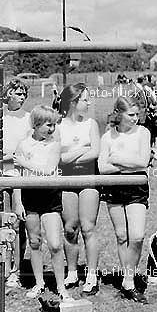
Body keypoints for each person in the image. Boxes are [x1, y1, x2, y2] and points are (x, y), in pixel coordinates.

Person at [13, 105, 70, 301]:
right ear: (36, 125)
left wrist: (24, 163)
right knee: (34, 241)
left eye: (54, 125)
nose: (52, 129)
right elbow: (18, 176)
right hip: (29, 196)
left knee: (54, 243)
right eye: (48, 125)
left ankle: (61, 287)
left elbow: (47, 169)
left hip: (50, 195)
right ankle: (39, 283)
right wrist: (18, 201)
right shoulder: (23, 144)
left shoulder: (54, 144)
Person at [98, 96, 151, 304]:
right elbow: (102, 168)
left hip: (137, 186)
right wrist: (127, 165)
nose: (136, 118)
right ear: (119, 114)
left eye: (138, 114)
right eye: (131, 115)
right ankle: (128, 282)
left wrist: (116, 159)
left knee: (136, 236)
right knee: (121, 236)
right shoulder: (107, 137)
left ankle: (129, 278)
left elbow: (142, 163)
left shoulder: (143, 132)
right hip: (113, 187)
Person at [0, 78, 31, 289]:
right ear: (8, 95)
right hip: (0, 174)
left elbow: (31, 149)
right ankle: (1, 265)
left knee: (17, 224)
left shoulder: (30, 119)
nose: (22, 97)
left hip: (20, 175)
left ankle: (16, 271)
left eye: (24, 94)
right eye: (18, 93)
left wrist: (16, 157)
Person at [56, 84, 101, 295]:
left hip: (89, 181)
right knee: (69, 228)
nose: (89, 103)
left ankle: (91, 275)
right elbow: (59, 158)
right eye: (85, 99)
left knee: (88, 227)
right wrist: (80, 150)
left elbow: (95, 152)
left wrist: (70, 156)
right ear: (73, 102)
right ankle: (72, 271)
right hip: (66, 182)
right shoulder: (58, 125)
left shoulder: (91, 124)